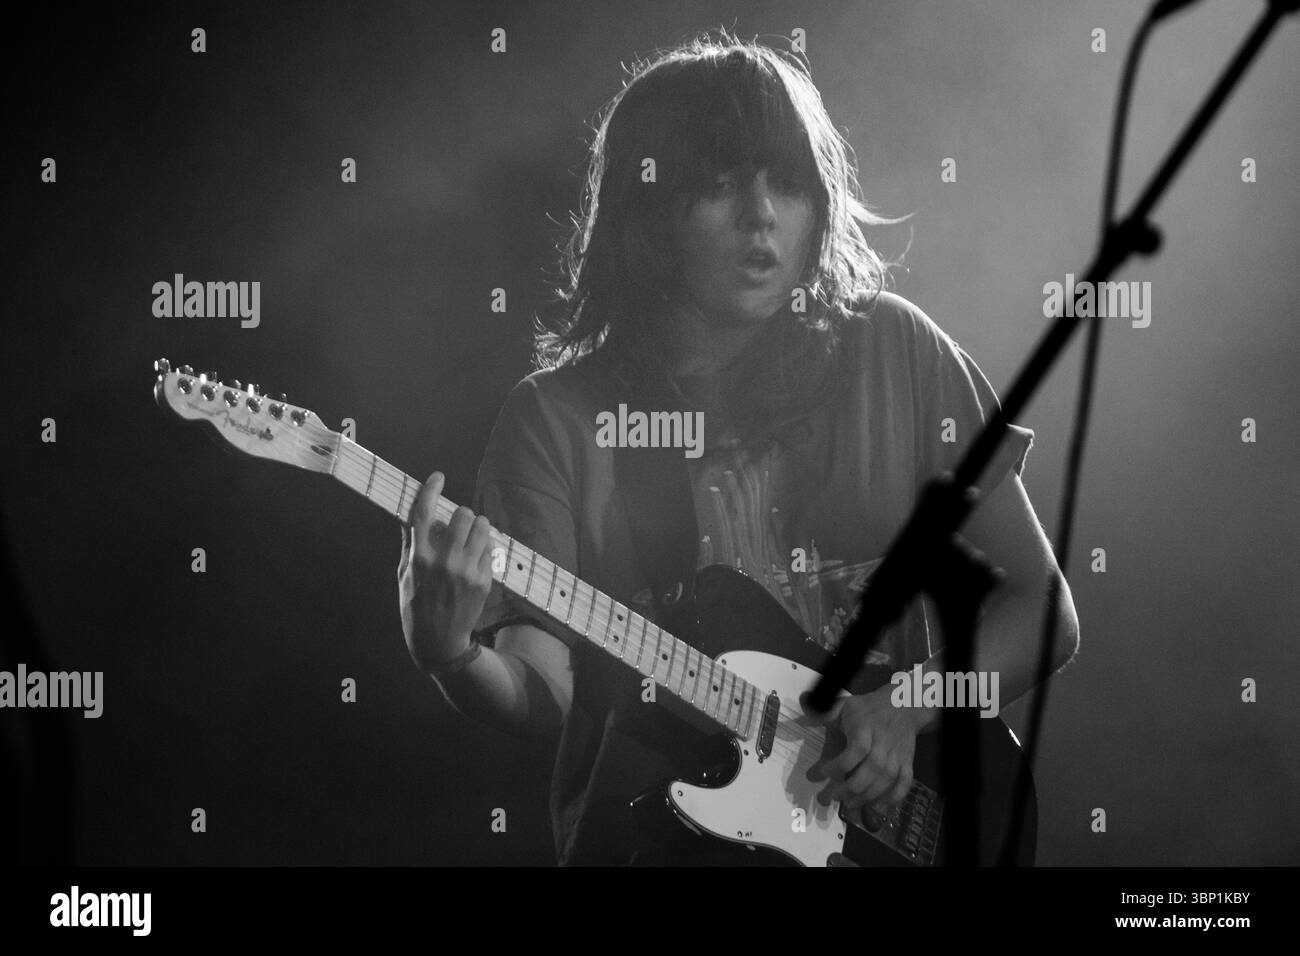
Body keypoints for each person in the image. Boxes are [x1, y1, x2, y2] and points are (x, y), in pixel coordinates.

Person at [397, 33, 1079, 866]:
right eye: (719, 185)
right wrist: (450, 655)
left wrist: (906, 706)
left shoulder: (896, 351)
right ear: (645, 212)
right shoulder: (556, 419)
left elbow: (1043, 612)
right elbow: (540, 691)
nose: (762, 215)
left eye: (788, 183)